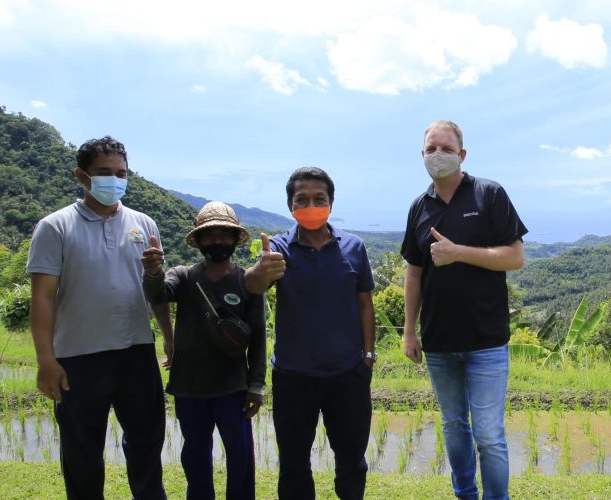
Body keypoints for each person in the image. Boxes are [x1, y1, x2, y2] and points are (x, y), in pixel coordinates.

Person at [27, 136, 169, 499]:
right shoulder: (55, 226)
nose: (114, 180)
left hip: (136, 352)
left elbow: (155, 289)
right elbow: (42, 298)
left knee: (146, 447)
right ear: (82, 176)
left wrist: (169, 337)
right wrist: (46, 361)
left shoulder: (144, 224)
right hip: (78, 359)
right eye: (104, 172)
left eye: (121, 173)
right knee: (82, 454)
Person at [400, 120, 527, 500]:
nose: (438, 154)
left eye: (446, 148)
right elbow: (414, 272)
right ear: (422, 155)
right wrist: (409, 330)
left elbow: (515, 257)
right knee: (454, 426)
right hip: (439, 342)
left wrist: (459, 253)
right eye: (430, 149)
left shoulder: (489, 194)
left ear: (462, 154)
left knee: (489, 435)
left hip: (486, 340)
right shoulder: (419, 207)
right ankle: (465, 494)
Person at [245, 166, 376, 500]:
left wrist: (368, 358)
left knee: (351, 463)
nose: (311, 204)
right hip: (293, 377)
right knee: (293, 464)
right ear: (291, 206)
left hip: (348, 374)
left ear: (331, 202)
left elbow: (365, 305)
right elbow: (253, 285)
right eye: (302, 199)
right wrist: (260, 270)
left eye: (319, 198)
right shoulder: (277, 248)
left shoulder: (354, 247)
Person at [141, 201, 267, 500]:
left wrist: (257, 385)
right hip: (190, 387)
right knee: (196, 457)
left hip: (233, 388)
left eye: (225, 234)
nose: (218, 241)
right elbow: (158, 293)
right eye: (210, 235)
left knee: (240, 456)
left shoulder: (248, 280)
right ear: (198, 241)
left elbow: (259, 335)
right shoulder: (183, 276)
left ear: (237, 239)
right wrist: (153, 271)